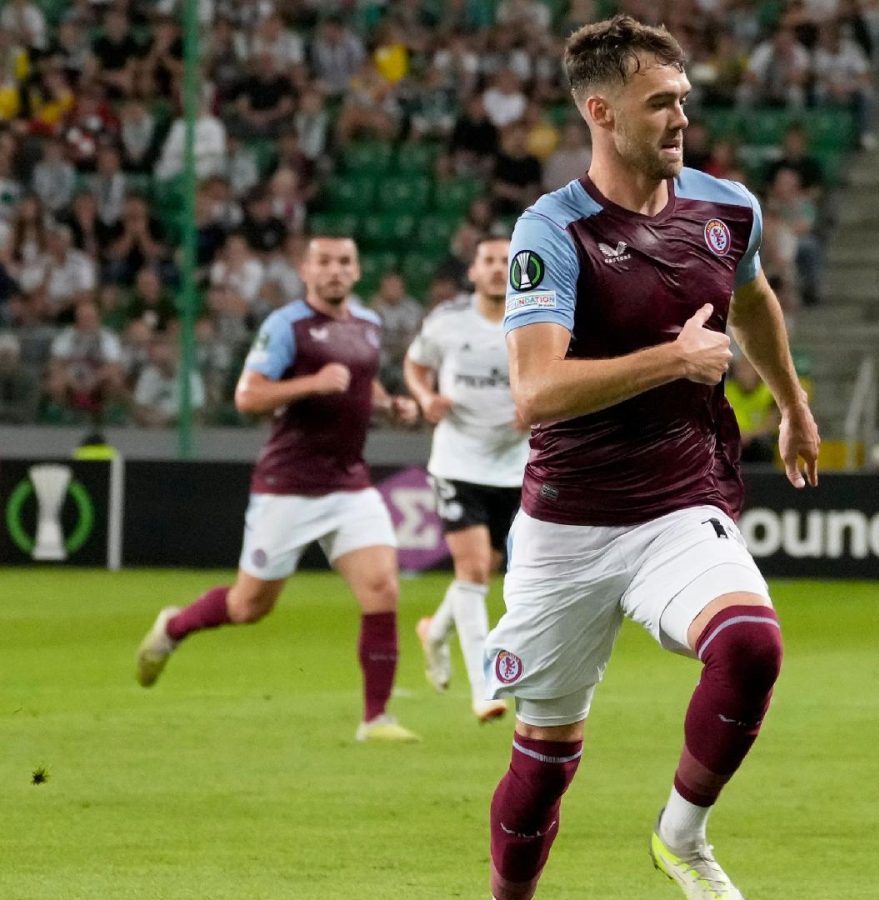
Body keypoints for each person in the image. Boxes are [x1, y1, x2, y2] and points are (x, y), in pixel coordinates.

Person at [483, 17, 819, 900]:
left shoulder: (728, 208)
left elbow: (754, 301)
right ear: (600, 111)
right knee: (542, 768)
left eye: (684, 99)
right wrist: (673, 360)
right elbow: (534, 393)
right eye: (659, 103)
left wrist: (792, 404)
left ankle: (682, 837)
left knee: (750, 645)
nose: (681, 118)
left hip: (679, 504)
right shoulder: (552, 231)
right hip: (567, 524)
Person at [134, 236, 424, 744]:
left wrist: (389, 405)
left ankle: (375, 719)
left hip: (349, 483)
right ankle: (173, 627)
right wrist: (311, 384)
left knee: (382, 588)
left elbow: (360, 382)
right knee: (249, 606)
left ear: (357, 272)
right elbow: (248, 396)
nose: (335, 270)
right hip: (287, 487)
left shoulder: (369, 323)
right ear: (305, 271)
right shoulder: (285, 326)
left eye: (345, 262)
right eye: (324, 262)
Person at [404, 236, 522, 724]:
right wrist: (425, 397)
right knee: (472, 572)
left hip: (515, 466)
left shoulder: (536, 318)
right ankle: (484, 687)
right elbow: (415, 364)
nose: (497, 268)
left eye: (506, 261)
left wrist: (539, 407)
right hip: (458, 464)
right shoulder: (447, 321)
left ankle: (434, 631)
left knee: (483, 570)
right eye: (488, 261)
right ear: (472, 271)